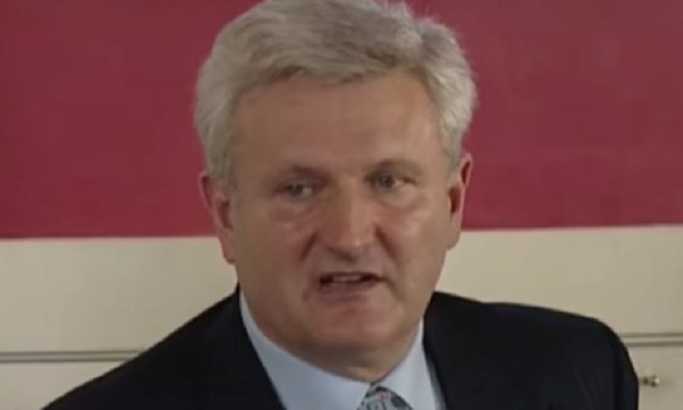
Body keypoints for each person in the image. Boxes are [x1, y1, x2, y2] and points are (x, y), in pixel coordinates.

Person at [45, 0, 638, 409]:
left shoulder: (581, 373)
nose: (350, 236)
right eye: (299, 189)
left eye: (389, 181)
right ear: (225, 215)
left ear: (454, 201)